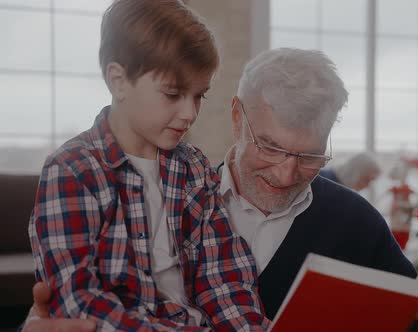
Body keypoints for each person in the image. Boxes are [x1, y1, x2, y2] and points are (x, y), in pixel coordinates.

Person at [25, 48, 418, 331]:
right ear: (238, 118)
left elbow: (407, 317)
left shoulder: (356, 222)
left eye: (309, 157)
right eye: (271, 147)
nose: (285, 175)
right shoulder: (172, 197)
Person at [26, 0, 268, 330]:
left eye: (199, 95)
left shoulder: (194, 168)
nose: (189, 113)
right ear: (119, 80)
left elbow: (223, 279)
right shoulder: (72, 170)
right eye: (172, 94)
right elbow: (81, 301)